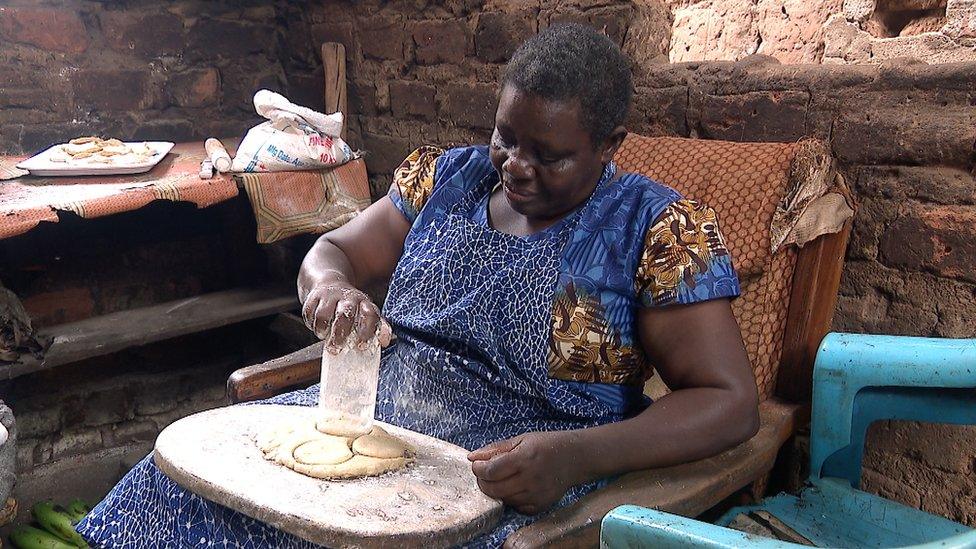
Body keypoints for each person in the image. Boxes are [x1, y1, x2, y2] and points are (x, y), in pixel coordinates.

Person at [78, 23, 759, 548]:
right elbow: (334, 248)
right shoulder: (445, 178)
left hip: (514, 473)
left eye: (548, 155)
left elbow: (728, 402)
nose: (516, 167)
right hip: (369, 419)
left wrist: (577, 457)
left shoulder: (655, 228)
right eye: (505, 137)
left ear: (611, 142)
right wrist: (331, 287)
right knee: (178, 486)